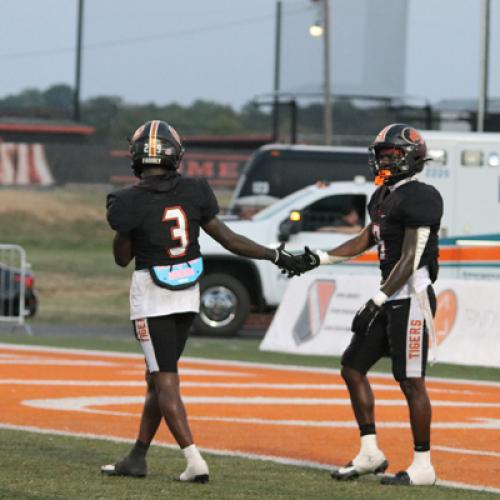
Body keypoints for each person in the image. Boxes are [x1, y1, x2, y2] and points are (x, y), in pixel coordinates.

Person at [101, 120, 301, 483]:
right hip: (188, 292)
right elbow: (229, 239)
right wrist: (275, 255)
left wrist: (124, 228)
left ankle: (194, 459)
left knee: (164, 379)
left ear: (136, 157)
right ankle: (138, 457)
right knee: (157, 379)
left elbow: (121, 258)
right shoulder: (195, 189)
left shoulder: (126, 200)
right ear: (175, 155)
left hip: (153, 296)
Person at [292, 123, 443, 486]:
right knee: (353, 366)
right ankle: (370, 451)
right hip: (391, 296)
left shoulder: (423, 196)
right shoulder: (382, 196)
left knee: (410, 380)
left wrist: (376, 301)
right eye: (381, 155)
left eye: (391, 155)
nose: (383, 161)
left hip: (411, 298)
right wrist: (320, 258)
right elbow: (366, 238)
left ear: (409, 157)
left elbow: (411, 258)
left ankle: (423, 465)